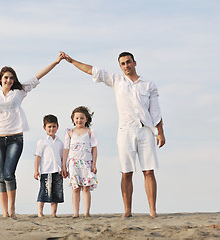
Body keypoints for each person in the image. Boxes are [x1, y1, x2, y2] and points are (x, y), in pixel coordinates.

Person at [61, 51, 165, 218]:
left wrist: (160, 133)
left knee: (148, 171)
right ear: (120, 66)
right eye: (123, 63)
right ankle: (127, 210)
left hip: (146, 130)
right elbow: (92, 70)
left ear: (135, 63)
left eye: (128, 62)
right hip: (125, 131)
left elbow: (156, 111)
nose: (126, 66)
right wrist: (72, 61)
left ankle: (152, 211)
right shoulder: (116, 80)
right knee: (126, 172)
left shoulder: (148, 85)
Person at [0, 52, 64, 218]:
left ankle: (12, 209)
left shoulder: (19, 91)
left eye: (11, 78)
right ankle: (4, 212)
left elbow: (37, 77)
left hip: (15, 138)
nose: (8, 80)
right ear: (0, 79)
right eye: (6, 77)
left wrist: (56, 62)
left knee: (8, 173)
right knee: (0, 176)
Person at [62, 106, 98, 218]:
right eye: (76, 118)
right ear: (73, 119)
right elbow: (66, 149)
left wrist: (94, 164)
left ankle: (86, 212)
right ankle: (76, 213)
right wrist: (64, 166)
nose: (79, 120)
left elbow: (94, 148)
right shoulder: (69, 132)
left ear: (86, 119)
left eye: (81, 118)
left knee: (86, 188)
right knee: (76, 188)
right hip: (73, 163)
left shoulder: (90, 132)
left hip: (86, 162)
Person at [34, 114, 64, 218]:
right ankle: (40, 212)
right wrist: (36, 170)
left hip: (57, 170)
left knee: (56, 193)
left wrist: (64, 169)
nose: (51, 129)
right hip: (46, 170)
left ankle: (53, 213)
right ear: (44, 127)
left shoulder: (60, 142)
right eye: (49, 126)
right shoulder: (42, 142)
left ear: (57, 127)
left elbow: (62, 157)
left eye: (54, 126)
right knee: (43, 191)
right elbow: (38, 156)